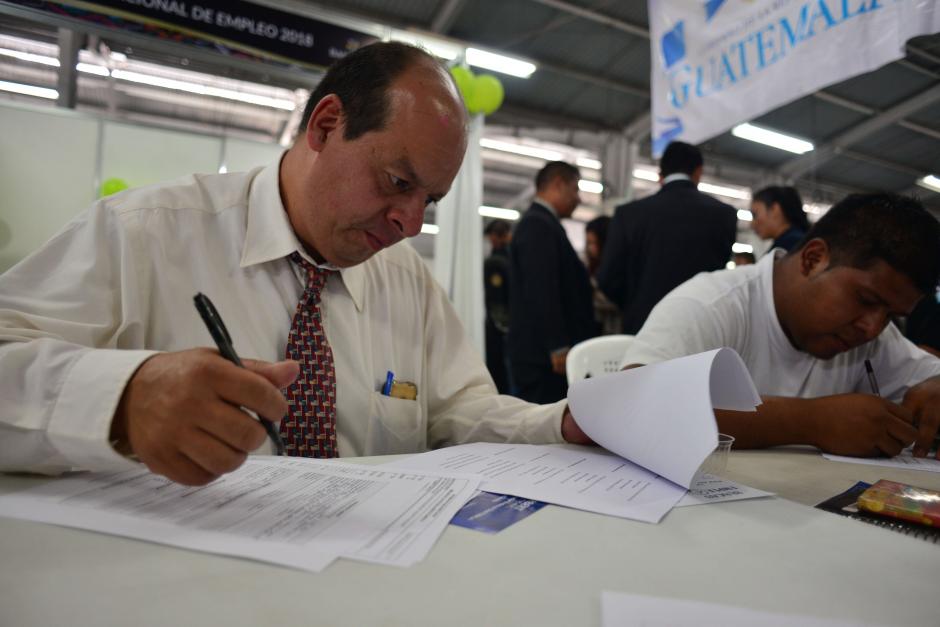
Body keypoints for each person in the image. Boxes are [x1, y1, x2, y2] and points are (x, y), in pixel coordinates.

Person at [0, 42, 591, 487]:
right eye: (397, 182)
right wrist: (121, 399)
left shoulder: (404, 278)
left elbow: (459, 409)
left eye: (429, 202)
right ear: (326, 124)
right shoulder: (144, 236)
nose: (410, 224)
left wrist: (559, 425)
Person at [620, 193, 940, 459]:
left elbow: (931, 377)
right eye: (866, 299)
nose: (872, 328)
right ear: (814, 259)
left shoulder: (873, 340)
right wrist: (811, 422)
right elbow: (630, 406)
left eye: (891, 315)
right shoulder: (711, 304)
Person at [597, 141, 737, 334]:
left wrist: (635, 304)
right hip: (701, 326)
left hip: (644, 326)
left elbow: (607, 278)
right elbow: (717, 276)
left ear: (660, 174)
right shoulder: (724, 215)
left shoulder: (628, 214)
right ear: (698, 171)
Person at [507, 161, 597, 403]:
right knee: (543, 430)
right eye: (575, 189)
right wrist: (557, 344)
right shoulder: (538, 225)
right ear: (558, 183)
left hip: (542, 353)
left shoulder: (543, 224)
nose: (578, 199)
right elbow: (541, 289)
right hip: (543, 357)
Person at [483, 219, 512, 393]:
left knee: (500, 375)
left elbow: (497, 302)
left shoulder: (497, 262)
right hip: (505, 329)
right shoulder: (506, 260)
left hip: (501, 329)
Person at [584, 216, 622, 335]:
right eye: (588, 243)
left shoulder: (617, 267)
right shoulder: (589, 265)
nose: (591, 248)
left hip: (615, 328)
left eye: (594, 243)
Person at [750, 185, 810, 253]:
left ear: (774, 209)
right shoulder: (797, 242)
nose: (752, 225)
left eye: (755, 215)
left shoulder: (790, 246)